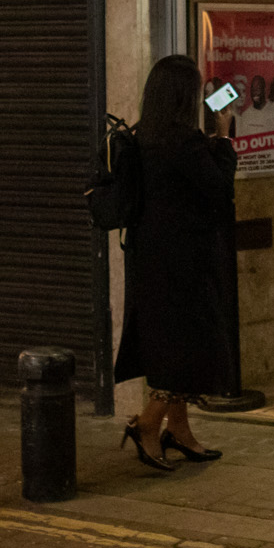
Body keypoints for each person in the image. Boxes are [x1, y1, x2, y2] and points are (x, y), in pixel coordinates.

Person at [112, 54, 238, 470]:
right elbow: (218, 190)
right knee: (187, 346)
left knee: (170, 344)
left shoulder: (144, 135)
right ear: (185, 96)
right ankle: (148, 424)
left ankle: (179, 430)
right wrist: (222, 136)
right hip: (181, 262)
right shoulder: (183, 144)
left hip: (150, 257)